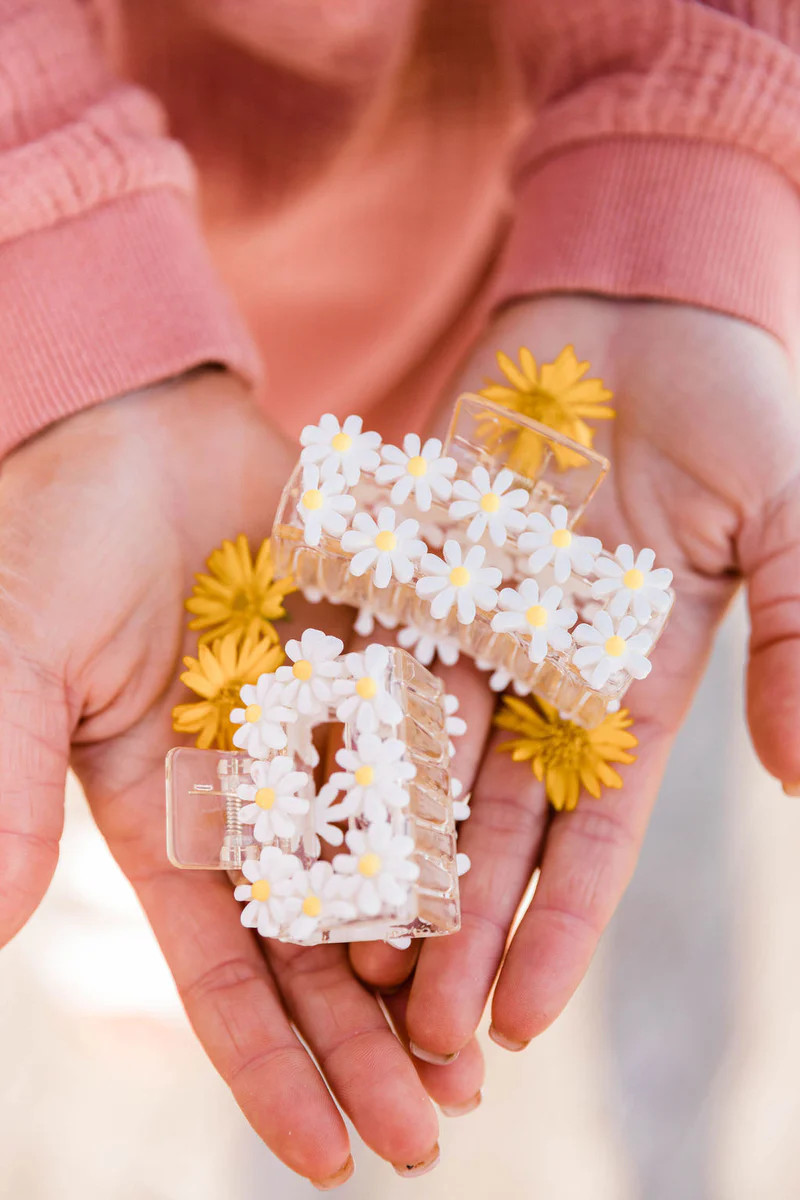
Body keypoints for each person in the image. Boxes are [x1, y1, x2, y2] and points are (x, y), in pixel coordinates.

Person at [2, 0, 800, 1188]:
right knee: (116, 693)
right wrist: (45, 267)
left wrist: (679, 168)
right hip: (73, 363)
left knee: (515, 702)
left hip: (488, 258)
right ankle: (124, 903)